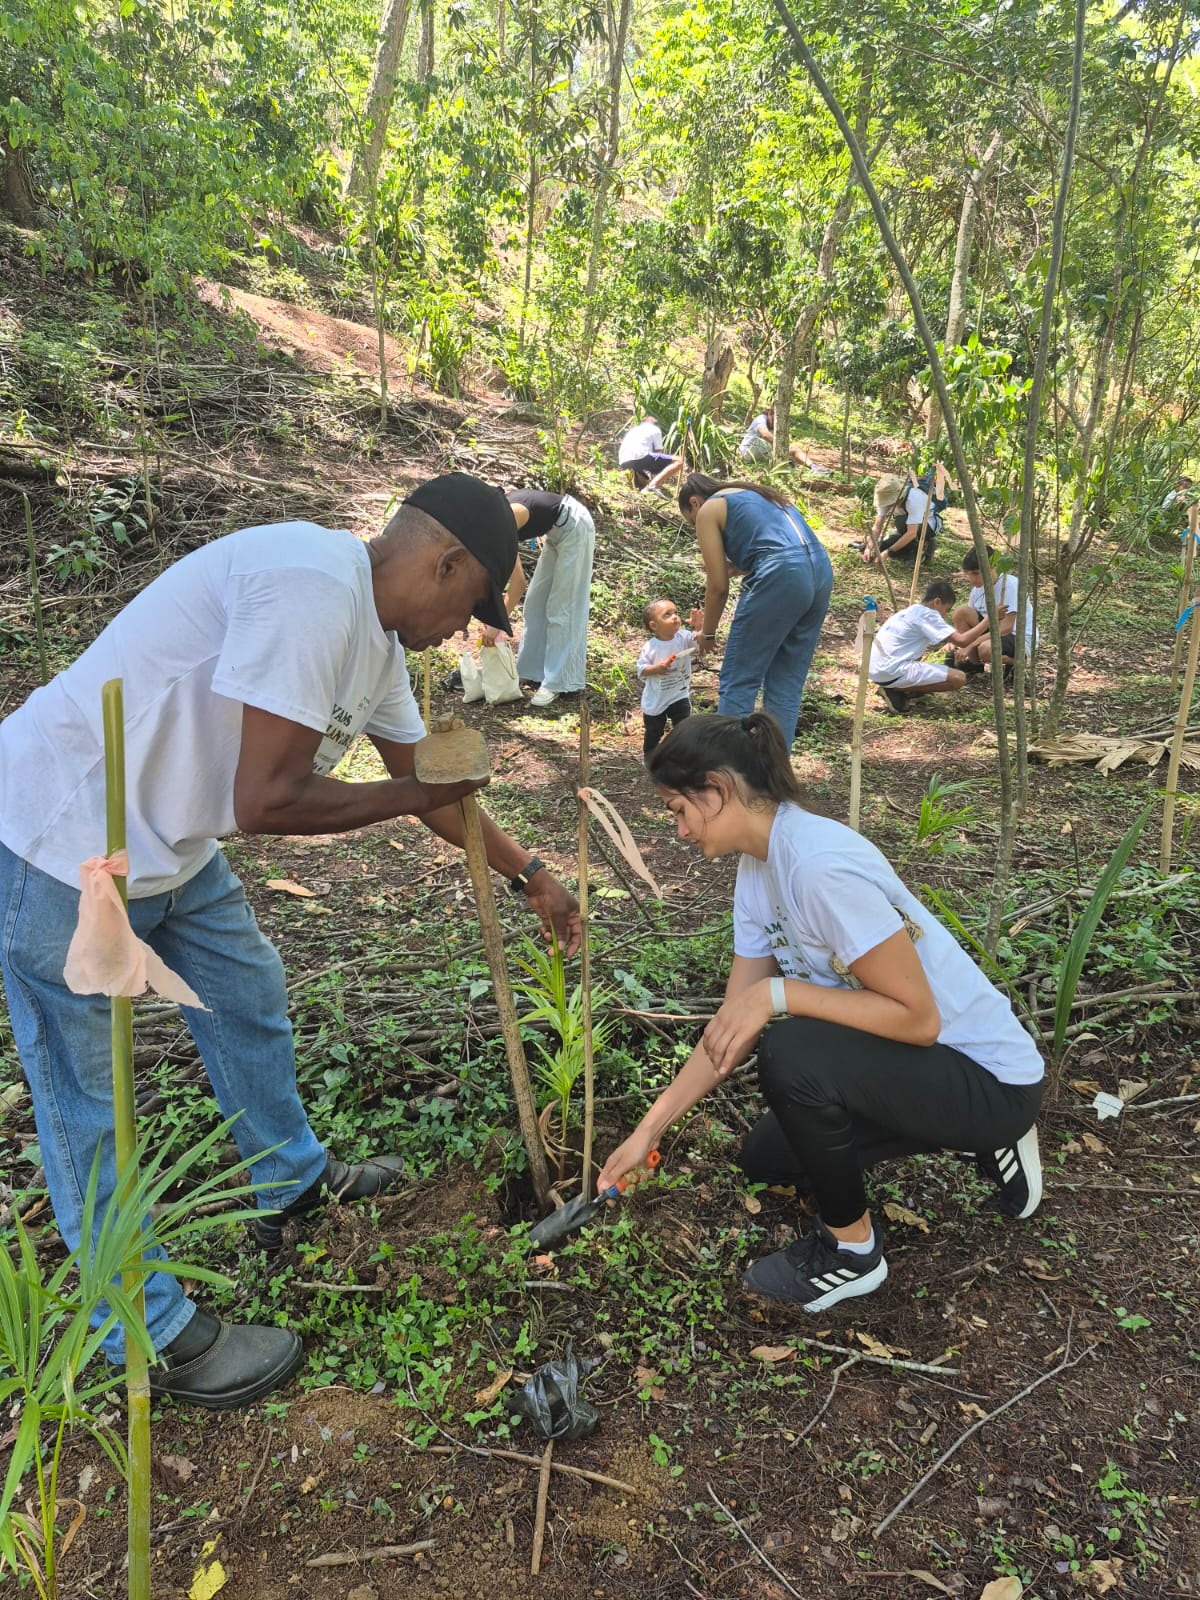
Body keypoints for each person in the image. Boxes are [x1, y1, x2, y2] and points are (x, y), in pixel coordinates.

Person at [0, 472, 581, 1410]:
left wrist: (531, 876)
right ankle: (146, 1333)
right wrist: (417, 792)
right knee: (88, 1103)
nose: (460, 633)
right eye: (470, 606)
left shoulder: (377, 643)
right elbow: (267, 801)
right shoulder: (311, 586)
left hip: (171, 843)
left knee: (247, 992)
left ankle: (290, 1181)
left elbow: (426, 783)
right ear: (443, 564)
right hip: (62, 843)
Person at [597, 713, 1044, 1312]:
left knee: (791, 1050)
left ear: (717, 789)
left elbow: (919, 1019)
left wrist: (778, 995)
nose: (678, 831)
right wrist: (647, 1132)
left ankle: (852, 1252)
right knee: (767, 1158)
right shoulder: (758, 870)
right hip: (923, 1065)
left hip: (988, 1079)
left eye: (679, 810)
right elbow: (728, 1029)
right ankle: (961, 1134)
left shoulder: (818, 865)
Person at [677, 473, 833, 748]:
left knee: (739, 680)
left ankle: (730, 770)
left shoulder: (709, 508)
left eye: (691, 521)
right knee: (786, 685)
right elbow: (784, 547)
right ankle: (776, 774)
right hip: (820, 571)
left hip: (783, 574)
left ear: (694, 503)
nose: (695, 526)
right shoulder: (758, 494)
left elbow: (717, 587)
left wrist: (708, 634)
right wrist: (744, 565)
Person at [484, 488, 596, 709]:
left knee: (562, 606)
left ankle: (558, 681)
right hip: (556, 531)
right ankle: (531, 670)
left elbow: (518, 583)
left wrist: (496, 625)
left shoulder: (504, 522)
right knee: (536, 603)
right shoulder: (493, 522)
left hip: (575, 525)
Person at [869, 579, 1003, 715]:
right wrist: (989, 620)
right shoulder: (928, 615)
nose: (945, 615)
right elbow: (962, 641)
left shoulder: (908, 612)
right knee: (958, 678)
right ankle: (895, 690)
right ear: (937, 602)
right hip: (890, 671)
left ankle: (899, 688)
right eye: (946, 610)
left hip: (874, 669)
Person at [953, 547, 1037, 682]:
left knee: (985, 649)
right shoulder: (977, 590)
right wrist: (957, 640)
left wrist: (971, 644)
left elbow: (1006, 628)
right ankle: (974, 665)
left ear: (992, 567)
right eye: (968, 574)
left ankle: (1018, 662)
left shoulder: (1009, 585)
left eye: (976, 573)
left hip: (1016, 635)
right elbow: (972, 624)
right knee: (960, 612)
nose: (972, 579)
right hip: (992, 629)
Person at [637, 599, 705, 759]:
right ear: (654, 625)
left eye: (675, 612)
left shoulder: (684, 637)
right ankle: (650, 756)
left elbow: (702, 645)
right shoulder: (650, 647)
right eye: (667, 615)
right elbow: (641, 670)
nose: (674, 617)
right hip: (656, 698)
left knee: (683, 726)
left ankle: (683, 756)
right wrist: (656, 668)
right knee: (654, 731)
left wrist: (699, 628)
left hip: (679, 694)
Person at [857, 466, 946, 565]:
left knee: (902, 522)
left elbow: (912, 532)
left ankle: (924, 547)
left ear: (898, 498)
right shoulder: (884, 496)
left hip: (929, 523)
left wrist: (888, 552)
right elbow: (877, 527)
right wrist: (868, 548)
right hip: (907, 523)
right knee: (888, 540)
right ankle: (907, 546)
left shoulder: (914, 498)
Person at [617, 416, 684, 493]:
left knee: (645, 481)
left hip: (623, 462)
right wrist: (658, 476)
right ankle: (652, 486)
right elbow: (659, 453)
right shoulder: (655, 429)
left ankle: (638, 478)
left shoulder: (633, 430)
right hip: (640, 457)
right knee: (679, 461)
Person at [738, 407, 805, 467]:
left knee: (794, 452)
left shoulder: (774, 426)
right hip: (747, 453)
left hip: (760, 456)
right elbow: (765, 435)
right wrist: (782, 446)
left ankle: (809, 465)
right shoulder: (761, 419)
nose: (774, 424)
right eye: (774, 420)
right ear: (770, 413)